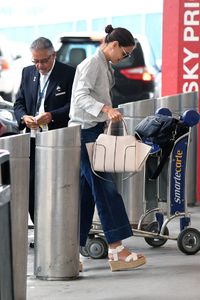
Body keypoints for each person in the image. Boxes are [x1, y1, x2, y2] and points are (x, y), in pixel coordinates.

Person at [68, 25, 146, 271]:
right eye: (124, 54)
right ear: (113, 45)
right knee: (105, 188)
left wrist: (107, 111)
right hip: (84, 132)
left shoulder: (103, 65)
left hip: (90, 132)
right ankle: (116, 248)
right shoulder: (92, 64)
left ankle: (71, 250)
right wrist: (106, 109)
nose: (124, 59)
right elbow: (80, 97)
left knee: (87, 194)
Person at [14, 37, 75, 224]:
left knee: (55, 185)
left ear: (53, 55)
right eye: (36, 61)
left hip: (57, 140)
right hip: (32, 138)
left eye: (44, 61)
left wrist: (51, 115)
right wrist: (24, 117)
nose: (39, 66)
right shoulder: (27, 72)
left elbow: (73, 106)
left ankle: (56, 226)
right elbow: (19, 103)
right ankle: (40, 228)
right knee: (31, 185)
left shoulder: (69, 73)